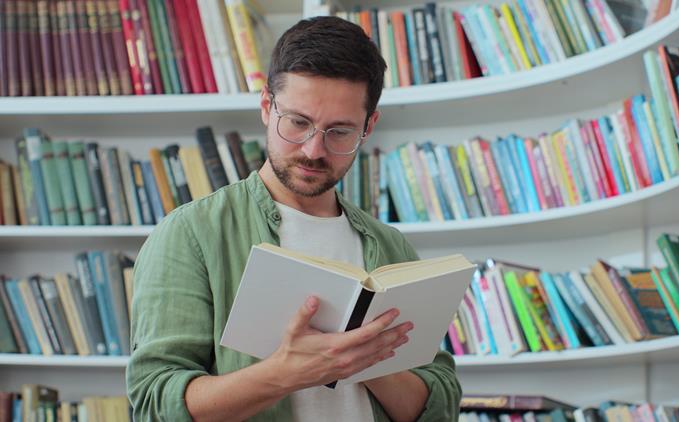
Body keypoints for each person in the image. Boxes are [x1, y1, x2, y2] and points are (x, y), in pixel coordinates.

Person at [126, 16, 462, 422]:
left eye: (339, 131)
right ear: (267, 106)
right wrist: (283, 374)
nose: (313, 149)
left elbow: (440, 404)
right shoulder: (192, 234)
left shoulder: (390, 245)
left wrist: (362, 360)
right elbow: (152, 405)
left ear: (369, 126)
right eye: (299, 123)